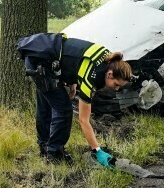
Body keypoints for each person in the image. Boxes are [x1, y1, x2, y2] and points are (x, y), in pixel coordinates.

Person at [15, 33, 134, 163]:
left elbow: (75, 60)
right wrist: (97, 150)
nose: (116, 89)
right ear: (110, 74)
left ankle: (45, 147)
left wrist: (73, 83)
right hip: (40, 59)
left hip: (44, 55)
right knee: (64, 109)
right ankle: (54, 153)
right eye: (116, 85)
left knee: (47, 103)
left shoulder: (107, 58)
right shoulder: (92, 77)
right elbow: (83, 120)